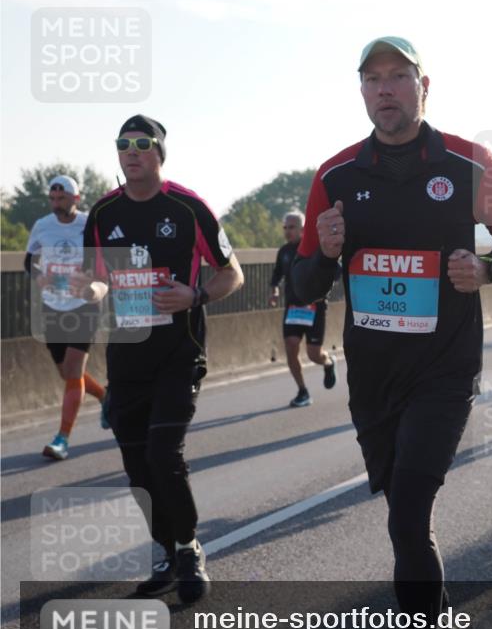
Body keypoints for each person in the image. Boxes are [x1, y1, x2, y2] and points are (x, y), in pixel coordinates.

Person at [291, 37, 492, 629]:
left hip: (446, 368)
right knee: (405, 515)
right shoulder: (334, 176)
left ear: (425, 86)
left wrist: (485, 269)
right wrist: (326, 252)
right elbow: (303, 285)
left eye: (399, 77)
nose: (386, 90)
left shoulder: (467, 163)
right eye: (373, 80)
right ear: (361, 92)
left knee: (408, 517)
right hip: (374, 376)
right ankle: (435, 623)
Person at [71, 114, 244, 602]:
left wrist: (195, 296)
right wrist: (92, 286)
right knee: (136, 466)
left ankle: (189, 548)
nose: (132, 151)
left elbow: (232, 275)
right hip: (127, 358)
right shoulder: (103, 212)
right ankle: (166, 548)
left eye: (142, 143)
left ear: (159, 153)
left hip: (179, 353)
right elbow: (99, 276)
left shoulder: (188, 208)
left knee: (163, 454)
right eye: (123, 144)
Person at [25, 175, 108, 460]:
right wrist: (38, 277)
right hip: (52, 305)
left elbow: (105, 259)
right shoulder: (42, 226)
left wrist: (92, 278)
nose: (56, 204)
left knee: (73, 370)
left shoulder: (89, 224)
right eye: (52, 199)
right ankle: (106, 397)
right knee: (66, 372)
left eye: (62, 198)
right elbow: (29, 259)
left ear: (76, 198)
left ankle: (62, 439)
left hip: (83, 304)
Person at [269, 210, 337, 407]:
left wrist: (321, 285)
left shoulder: (314, 248)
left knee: (314, 354)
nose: (287, 231)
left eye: (292, 227)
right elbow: (276, 275)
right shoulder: (283, 251)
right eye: (285, 228)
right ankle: (302, 391)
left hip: (315, 307)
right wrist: (273, 291)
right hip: (293, 308)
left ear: (302, 229)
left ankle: (328, 362)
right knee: (291, 346)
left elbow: (336, 271)